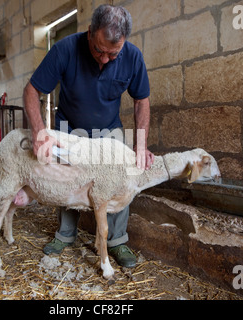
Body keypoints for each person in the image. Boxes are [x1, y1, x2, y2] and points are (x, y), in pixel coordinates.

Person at [23, 5, 154, 268]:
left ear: (124, 43)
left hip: (108, 130)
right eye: (99, 50)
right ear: (90, 32)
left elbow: (142, 101)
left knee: (121, 175)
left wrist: (141, 144)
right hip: (70, 129)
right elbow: (31, 91)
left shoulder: (133, 56)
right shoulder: (64, 49)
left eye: (113, 54)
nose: (105, 59)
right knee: (67, 177)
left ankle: (116, 241)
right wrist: (40, 133)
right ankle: (65, 234)